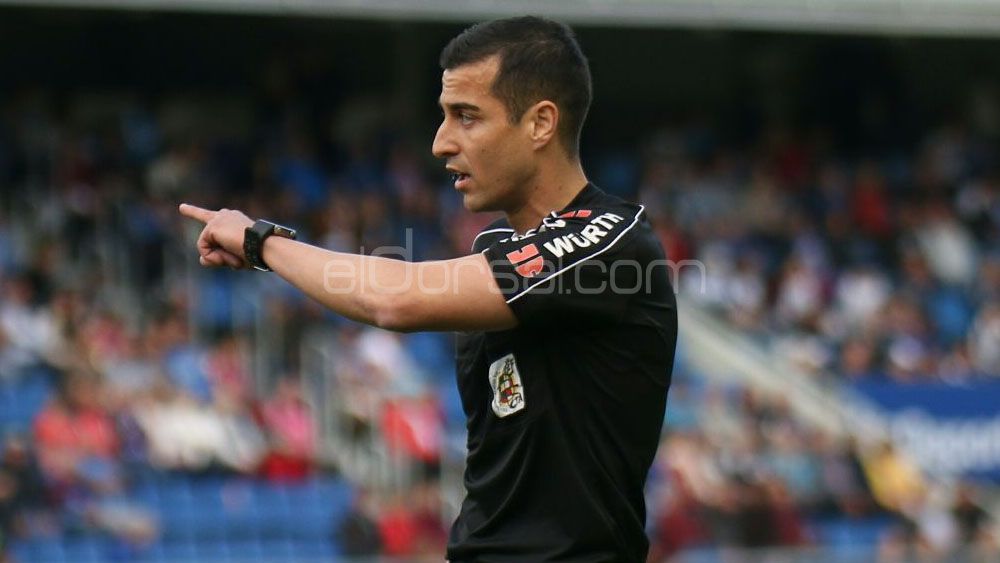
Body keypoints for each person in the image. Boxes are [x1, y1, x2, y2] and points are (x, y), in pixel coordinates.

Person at [180, 15, 677, 562]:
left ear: (540, 124)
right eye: (444, 117)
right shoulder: (496, 245)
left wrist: (261, 243)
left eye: (467, 117)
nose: (441, 143)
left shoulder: (608, 241)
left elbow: (398, 298)